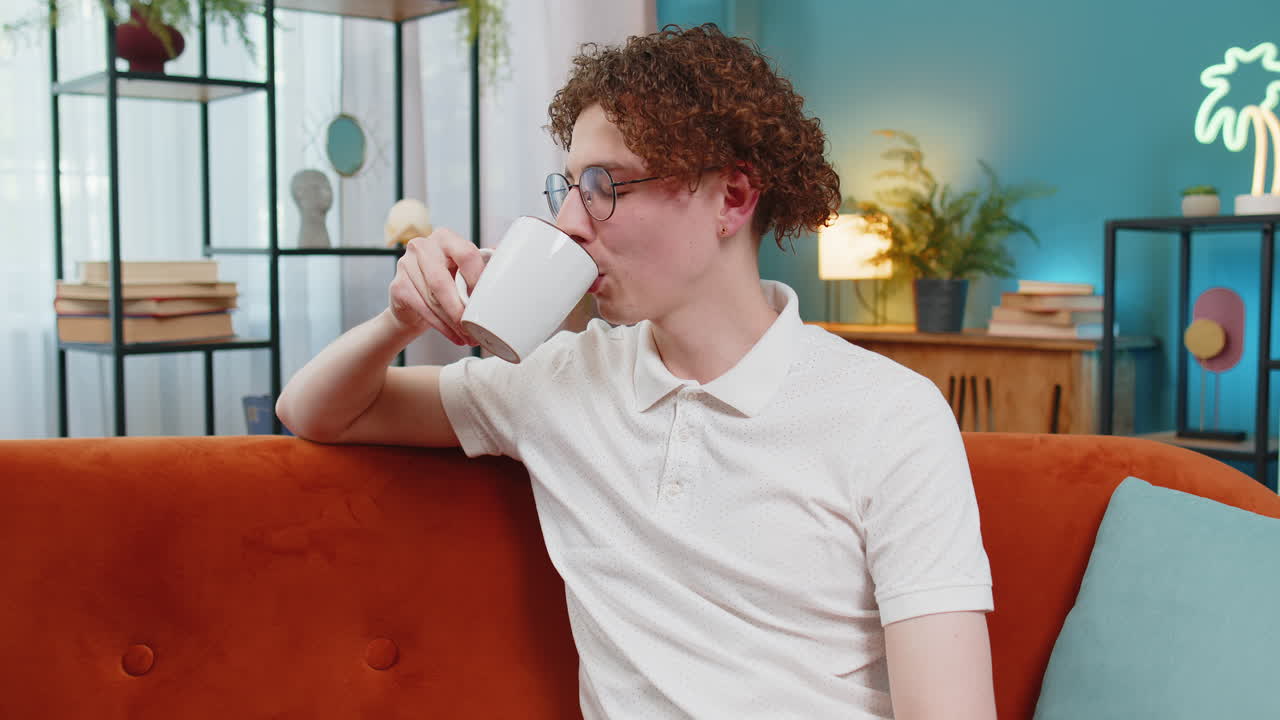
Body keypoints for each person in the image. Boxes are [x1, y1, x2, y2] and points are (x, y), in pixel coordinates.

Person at [277, 23, 995, 720]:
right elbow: (314, 411)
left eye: (605, 185)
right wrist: (401, 318)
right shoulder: (557, 381)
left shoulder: (891, 415)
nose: (570, 223)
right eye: (567, 187)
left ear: (732, 197)